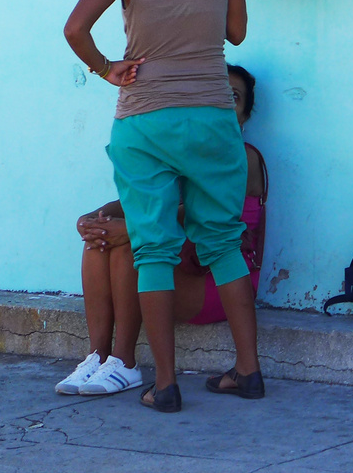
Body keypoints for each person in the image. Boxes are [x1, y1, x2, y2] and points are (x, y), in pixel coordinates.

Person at [61, 0, 263, 413]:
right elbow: (238, 32)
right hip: (210, 117)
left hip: (145, 120)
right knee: (223, 242)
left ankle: (164, 384)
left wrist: (107, 68)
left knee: (152, 248)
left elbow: (76, 28)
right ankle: (248, 371)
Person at [56, 66, 268, 397]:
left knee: (133, 245)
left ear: (245, 114)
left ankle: (125, 362)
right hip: (186, 269)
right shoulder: (192, 152)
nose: (223, 102)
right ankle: (98, 357)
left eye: (234, 98)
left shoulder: (243, 156)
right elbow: (145, 199)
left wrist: (126, 229)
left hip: (218, 282)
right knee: (99, 242)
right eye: (215, 94)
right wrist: (94, 219)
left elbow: (193, 214)